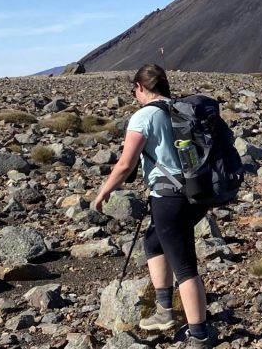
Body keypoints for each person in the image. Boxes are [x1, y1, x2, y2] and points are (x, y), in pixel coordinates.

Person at [92, 64, 214, 348]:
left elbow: (125, 164)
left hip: (169, 197)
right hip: (197, 194)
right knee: (154, 242)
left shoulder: (143, 116)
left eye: (134, 90)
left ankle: (199, 336)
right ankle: (164, 310)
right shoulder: (181, 109)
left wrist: (103, 193)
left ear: (140, 88)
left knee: (184, 266)